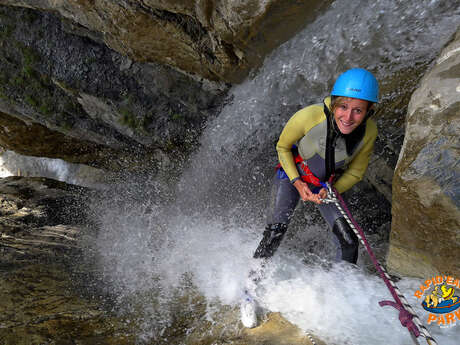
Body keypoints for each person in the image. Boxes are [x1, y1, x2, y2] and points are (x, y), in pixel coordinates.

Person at [253, 68, 379, 264]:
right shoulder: (310, 116)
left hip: (326, 186)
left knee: (349, 242)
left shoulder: (369, 132)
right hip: (292, 176)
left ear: (368, 112)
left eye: (358, 110)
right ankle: (251, 286)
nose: (348, 117)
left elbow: (356, 172)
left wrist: (332, 191)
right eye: (343, 107)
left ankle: (340, 292)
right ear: (334, 102)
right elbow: (283, 147)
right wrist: (297, 182)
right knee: (274, 234)